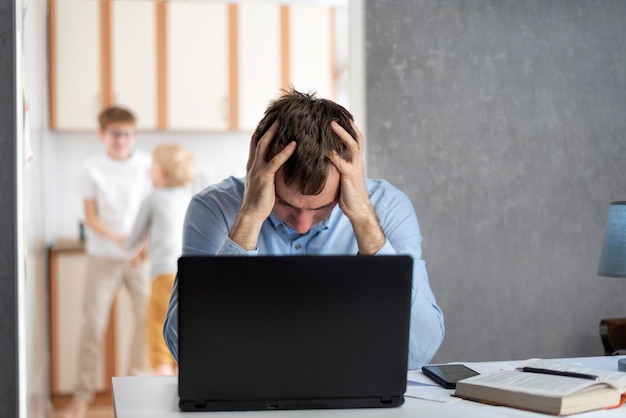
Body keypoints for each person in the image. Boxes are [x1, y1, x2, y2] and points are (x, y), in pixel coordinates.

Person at [163, 89, 445, 370]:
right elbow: (185, 348)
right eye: (285, 204)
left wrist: (363, 220)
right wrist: (249, 216)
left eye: (322, 207)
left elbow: (419, 352)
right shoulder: (214, 208)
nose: (302, 224)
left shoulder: (386, 207)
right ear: (256, 169)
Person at [60, 106, 152, 418]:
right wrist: (122, 240)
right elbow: (91, 218)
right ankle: (82, 398)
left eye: (127, 134)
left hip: (139, 258)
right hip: (103, 255)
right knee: (93, 325)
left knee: (148, 321)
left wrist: (144, 244)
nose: (121, 139)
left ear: (134, 135)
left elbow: (154, 208)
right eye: (115, 134)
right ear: (103, 135)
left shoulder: (146, 165)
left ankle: (135, 389)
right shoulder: (91, 169)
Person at [118, 143, 196, 376]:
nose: (147, 171)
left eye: (151, 167)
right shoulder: (190, 196)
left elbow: (131, 240)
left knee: (158, 335)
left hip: (164, 276)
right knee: (185, 336)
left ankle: (162, 406)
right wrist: (147, 249)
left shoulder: (153, 198)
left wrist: (129, 243)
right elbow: (172, 233)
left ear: (161, 173)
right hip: (191, 274)